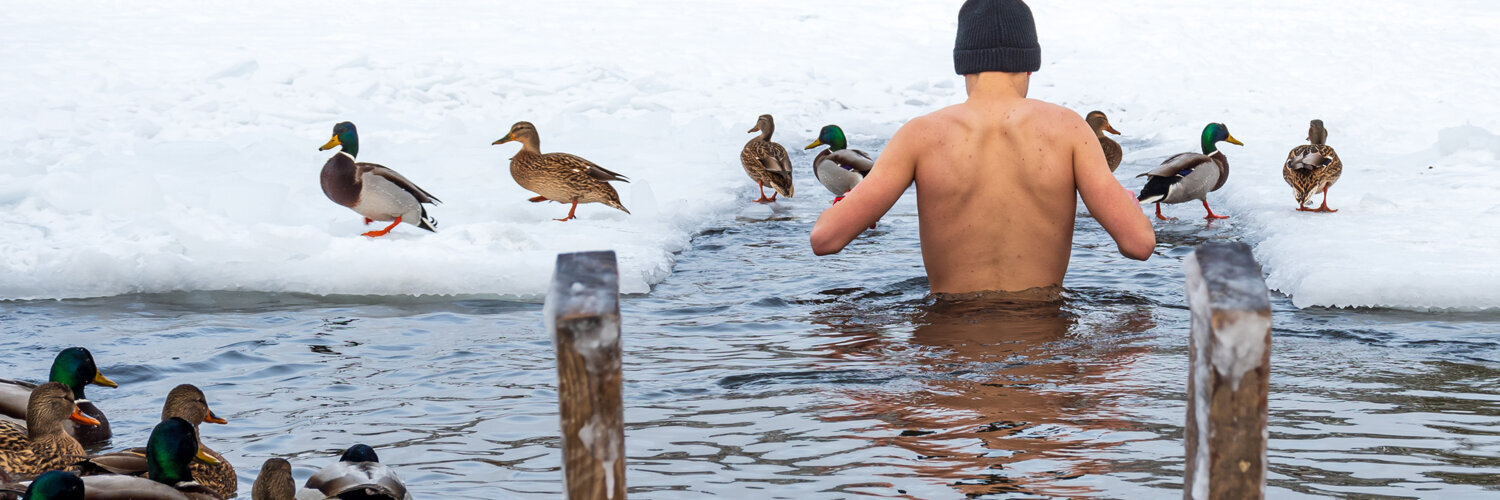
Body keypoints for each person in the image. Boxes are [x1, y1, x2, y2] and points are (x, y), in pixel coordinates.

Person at [809, 0, 1155, 296]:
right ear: (1031, 62)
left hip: (948, 351)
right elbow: (1138, 245)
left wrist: (851, 205)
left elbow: (825, 240)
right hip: (1042, 350)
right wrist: (1125, 203)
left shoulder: (921, 134)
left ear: (963, 64)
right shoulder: (1068, 130)